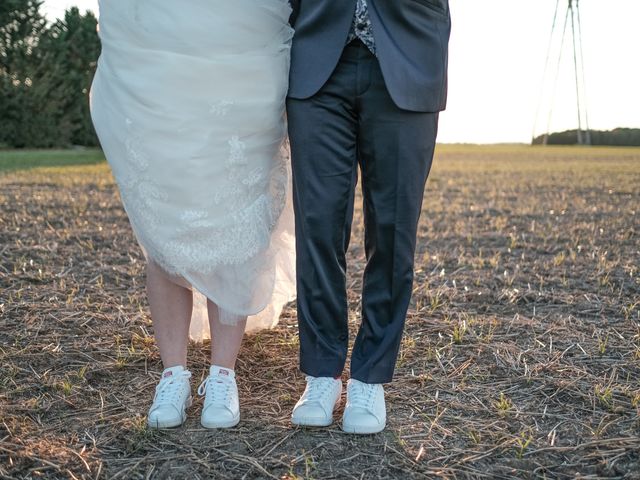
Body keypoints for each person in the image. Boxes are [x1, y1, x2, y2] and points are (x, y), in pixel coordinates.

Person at [90, 0, 296, 429]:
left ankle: (223, 374)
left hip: (243, 45)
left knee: (236, 207)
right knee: (167, 212)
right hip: (158, 50)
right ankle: (174, 373)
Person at [287, 0, 451, 434]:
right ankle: (322, 373)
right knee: (317, 226)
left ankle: (370, 376)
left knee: (394, 233)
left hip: (408, 52)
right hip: (317, 58)